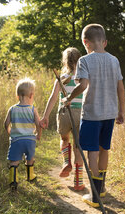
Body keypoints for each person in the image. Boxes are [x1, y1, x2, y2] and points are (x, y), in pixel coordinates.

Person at [62, 24, 125, 207]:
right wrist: (122, 111)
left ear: (85, 42)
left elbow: (82, 86)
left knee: (92, 152)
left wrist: (68, 97)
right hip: (110, 113)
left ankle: (95, 195)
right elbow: (120, 88)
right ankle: (102, 188)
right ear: (104, 42)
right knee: (104, 149)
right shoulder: (114, 60)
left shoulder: (85, 60)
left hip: (92, 114)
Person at [40, 47, 85, 191]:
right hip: (80, 114)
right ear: (80, 60)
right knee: (78, 147)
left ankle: (66, 161)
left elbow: (53, 98)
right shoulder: (83, 78)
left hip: (64, 113)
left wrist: (45, 116)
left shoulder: (62, 79)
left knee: (65, 139)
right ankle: (78, 182)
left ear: (65, 62)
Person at [4, 78, 42, 191]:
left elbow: (6, 123)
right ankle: (30, 176)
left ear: (17, 96)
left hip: (16, 140)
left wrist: (9, 132)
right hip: (30, 140)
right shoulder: (32, 109)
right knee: (30, 158)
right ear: (31, 95)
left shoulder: (12, 109)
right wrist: (38, 134)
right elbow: (38, 124)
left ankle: (13, 181)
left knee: (14, 161)